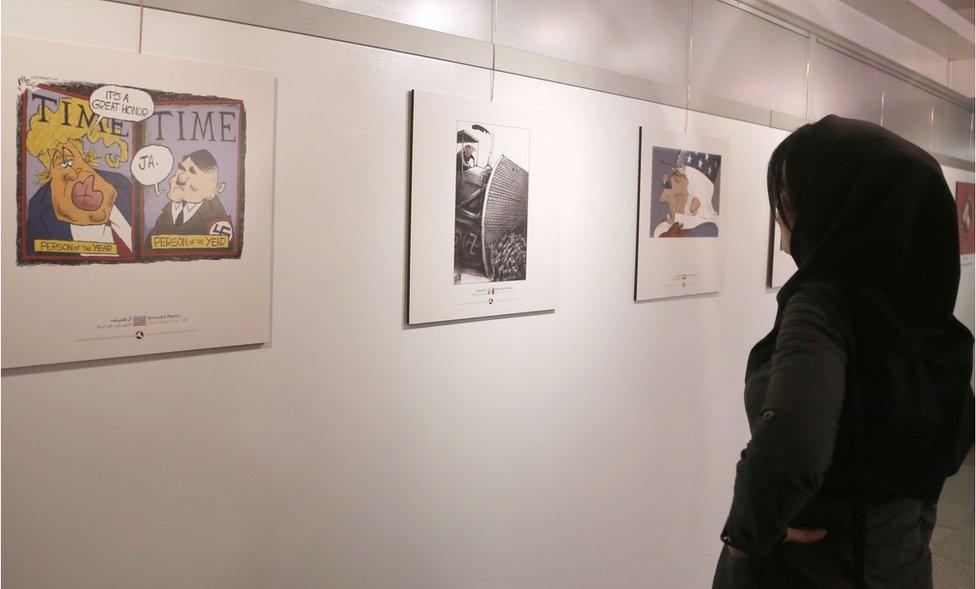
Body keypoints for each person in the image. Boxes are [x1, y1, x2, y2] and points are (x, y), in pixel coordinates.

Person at [712, 115, 974, 588]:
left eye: (791, 198)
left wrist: (748, 533)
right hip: (901, 555)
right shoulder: (919, 302)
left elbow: (795, 438)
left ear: (841, 203)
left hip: (817, 566)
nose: (782, 215)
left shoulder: (824, 301)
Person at [146, 149, 232, 247]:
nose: (175, 180)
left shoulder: (217, 219)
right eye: (181, 170)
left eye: (191, 174)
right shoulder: (168, 213)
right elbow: (149, 245)